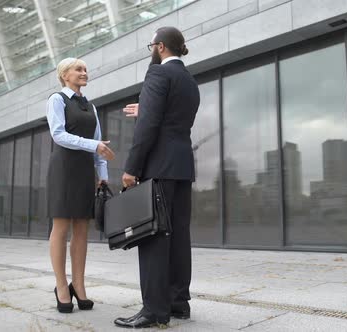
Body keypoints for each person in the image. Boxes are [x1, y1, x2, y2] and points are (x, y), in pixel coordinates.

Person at [114, 27, 200, 328]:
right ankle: (178, 304)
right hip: (182, 166)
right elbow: (170, 117)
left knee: (153, 237)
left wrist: (132, 167)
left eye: (152, 45)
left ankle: (153, 311)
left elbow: (149, 127)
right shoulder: (189, 80)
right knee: (178, 236)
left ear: (160, 47)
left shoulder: (157, 75)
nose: (152, 50)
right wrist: (146, 109)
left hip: (159, 167)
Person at [46, 57, 115, 313]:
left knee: (82, 229)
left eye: (86, 69)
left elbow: (98, 141)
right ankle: (62, 286)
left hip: (86, 169)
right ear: (65, 74)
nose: (84, 72)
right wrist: (93, 146)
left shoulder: (91, 107)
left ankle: (80, 285)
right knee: (61, 226)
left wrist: (103, 172)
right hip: (64, 168)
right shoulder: (57, 100)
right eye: (78, 69)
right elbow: (58, 135)